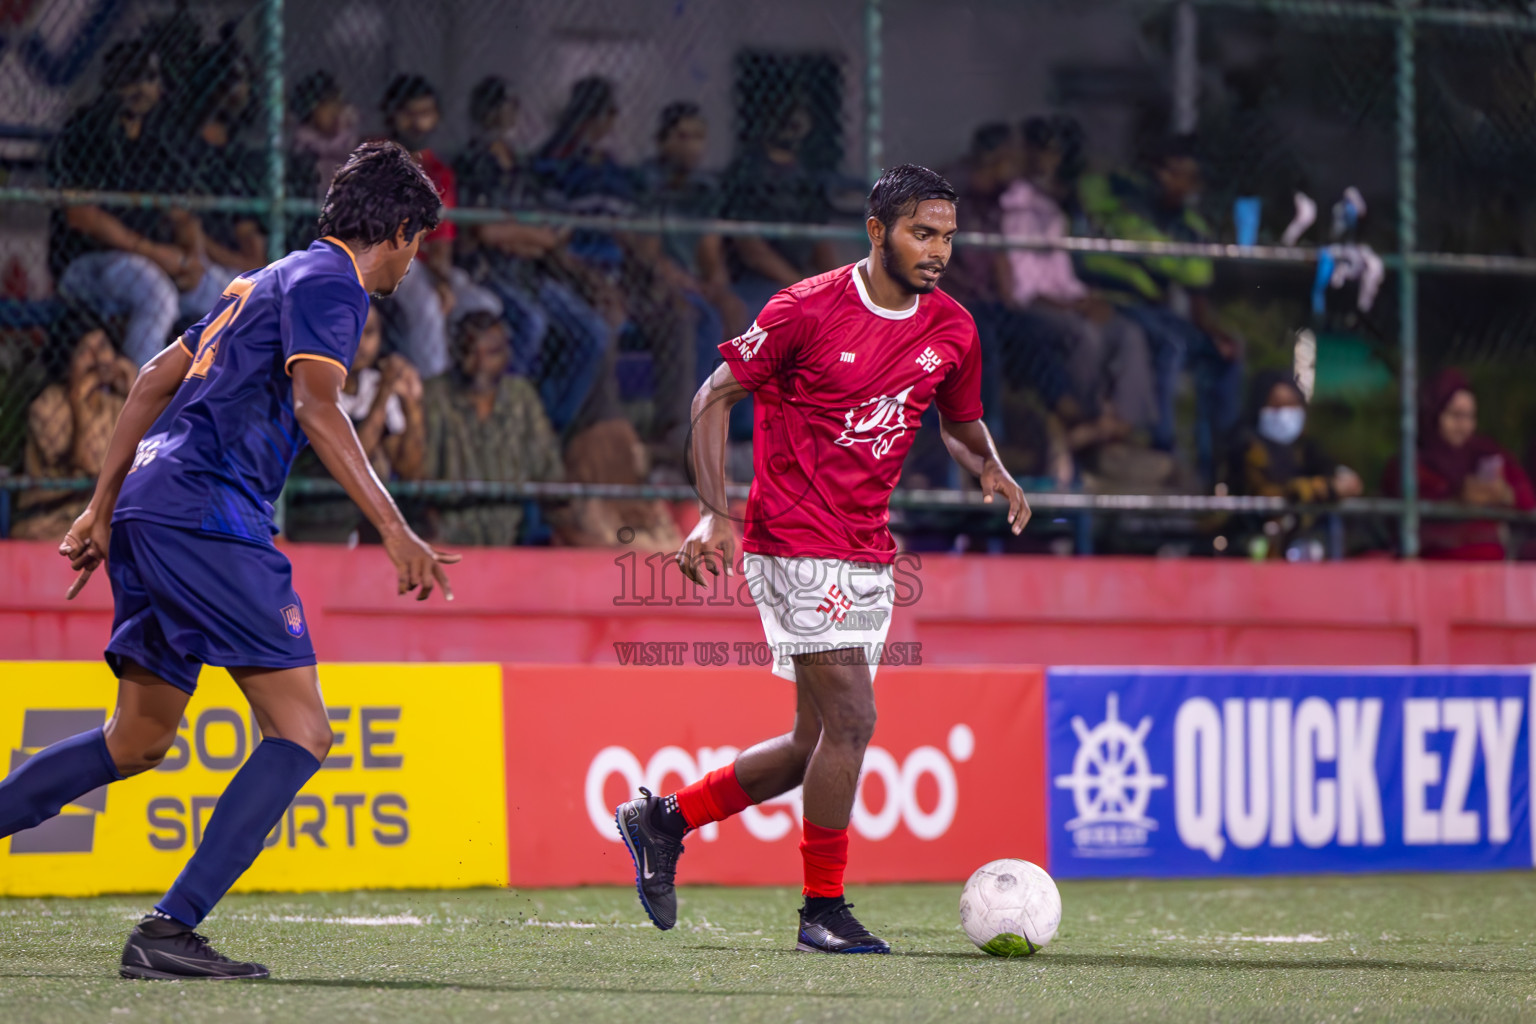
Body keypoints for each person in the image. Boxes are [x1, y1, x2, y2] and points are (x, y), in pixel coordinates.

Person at [0, 141, 456, 980]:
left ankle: (166, 926)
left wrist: (102, 506)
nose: (413, 258)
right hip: (209, 515)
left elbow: (148, 380)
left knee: (136, 740)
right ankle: (169, 931)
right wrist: (394, 526)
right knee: (302, 729)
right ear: (396, 230)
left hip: (150, 503)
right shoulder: (333, 284)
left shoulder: (261, 279)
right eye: (416, 240)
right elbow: (318, 409)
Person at [615, 165, 1030, 954]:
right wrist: (711, 511)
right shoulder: (805, 310)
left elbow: (959, 420)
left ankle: (663, 820)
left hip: (867, 547)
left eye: (947, 236)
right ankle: (822, 912)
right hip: (794, 539)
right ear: (877, 232)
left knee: (813, 741)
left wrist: (991, 465)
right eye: (922, 233)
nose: (937, 250)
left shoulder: (953, 328)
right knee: (854, 719)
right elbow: (713, 396)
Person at [47, 41, 233, 366]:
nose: (139, 87)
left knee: (232, 294)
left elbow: (182, 217)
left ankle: (221, 404)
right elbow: (81, 216)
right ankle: (141, 409)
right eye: (129, 76)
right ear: (111, 82)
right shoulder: (85, 130)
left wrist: (192, 258)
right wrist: (156, 253)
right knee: (155, 292)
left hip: (152, 260)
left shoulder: (155, 141)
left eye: (148, 78)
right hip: (85, 263)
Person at [1077, 134, 1244, 486]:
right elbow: (1122, 240)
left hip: (1154, 309)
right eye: (1171, 172)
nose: (1177, 183)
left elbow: (1197, 279)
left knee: (1226, 355)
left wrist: (1214, 332)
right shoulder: (1121, 199)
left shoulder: (1189, 226)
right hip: (1114, 303)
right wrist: (1169, 258)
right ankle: (1164, 445)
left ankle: (1221, 461)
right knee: (1171, 343)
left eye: (1187, 176)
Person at [453, 75, 616, 436]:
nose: (502, 118)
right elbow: (486, 233)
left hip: (531, 273)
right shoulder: (473, 163)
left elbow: (551, 235)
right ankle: (508, 422)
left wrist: (522, 235)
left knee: (593, 333)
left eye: (507, 109)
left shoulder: (521, 166)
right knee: (532, 323)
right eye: (494, 110)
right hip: (489, 273)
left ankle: (547, 425)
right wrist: (527, 236)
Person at [377, 73, 502, 379]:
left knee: (487, 304)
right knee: (428, 305)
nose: (417, 123)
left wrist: (443, 280)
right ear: (391, 114)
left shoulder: (439, 172)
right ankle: (432, 393)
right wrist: (436, 284)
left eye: (425, 113)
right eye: (408, 113)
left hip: (424, 265)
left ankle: (473, 385)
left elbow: (441, 243)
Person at [283, 301, 427, 543]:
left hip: (359, 516)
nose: (359, 344)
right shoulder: (311, 384)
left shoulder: (376, 384)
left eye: (369, 333)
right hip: (314, 513)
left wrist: (413, 408)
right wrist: (383, 396)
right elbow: (352, 458)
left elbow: (410, 470)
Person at [422, 310, 564, 546]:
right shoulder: (434, 397)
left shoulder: (521, 398)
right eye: (470, 353)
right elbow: (419, 480)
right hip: (448, 537)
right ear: (455, 353)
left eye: (492, 354)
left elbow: (548, 472)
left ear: (507, 355)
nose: (481, 364)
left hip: (512, 535)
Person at [1384, 368, 1535, 559]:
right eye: (1455, 415)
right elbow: (1409, 519)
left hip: (1492, 575)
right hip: (1432, 574)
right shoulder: (1408, 465)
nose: (1463, 426)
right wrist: (1458, 500)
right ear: (1434, 414)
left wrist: (1504, 493)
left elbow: (1528, 501)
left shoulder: (1485, 453)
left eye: (1470, 417)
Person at [11, 319, 137, 540]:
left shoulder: (115, 406)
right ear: (66, 361)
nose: (98, 359)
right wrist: (78, 399)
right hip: (54, 516)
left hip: (105, 516)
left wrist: (136, 391)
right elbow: (88, 463)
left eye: (103, 347)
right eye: (85, 351)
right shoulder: (47, 406)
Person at [1225, 369, 1362, 558]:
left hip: (1301, 546)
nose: (1284, 414)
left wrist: (1343, 480)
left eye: (1291, 405)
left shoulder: (1305, 448)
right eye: (1276, 405)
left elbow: (1343, 478)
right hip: (1249, 542)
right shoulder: (1245, 445)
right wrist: (1317, 489)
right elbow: (1265, 493)